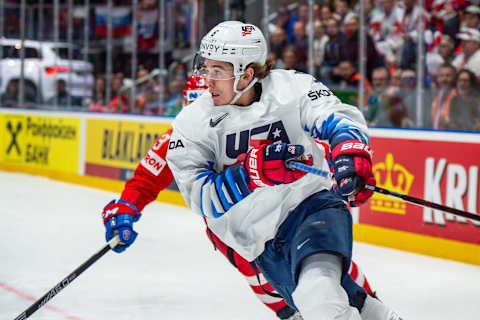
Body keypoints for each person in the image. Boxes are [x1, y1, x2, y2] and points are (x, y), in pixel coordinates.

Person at [165, 21, 402, 319]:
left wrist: (349, 151)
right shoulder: (192, 122)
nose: (207, 80)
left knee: (317, 294)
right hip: (260, 243)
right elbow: (201, 199)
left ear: (247, 74)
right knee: (343, 297)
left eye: (218, 71)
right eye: (206, 68)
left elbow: (335, 116)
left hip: (312, 206)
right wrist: (251, 174)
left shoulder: (292, 88)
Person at [101, 72, 379, 320]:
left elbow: (308, 141)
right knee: (290, 299)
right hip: (242, 238)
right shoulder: (185, 136)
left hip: (285, 218)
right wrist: (125, 208)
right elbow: (145, 180)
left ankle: (369, 308)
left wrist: (340, 159)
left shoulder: (261, 115)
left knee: (328, 274)